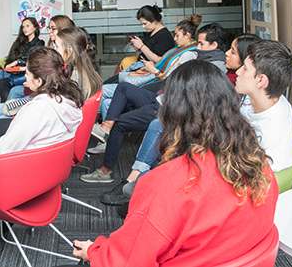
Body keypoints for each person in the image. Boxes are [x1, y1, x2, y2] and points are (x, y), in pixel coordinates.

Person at [72, 60, 279, 266]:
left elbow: (126, 260)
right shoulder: (259, 164)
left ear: (171, 113)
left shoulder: (168, 184)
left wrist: (94, 251)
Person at [100, 32, 261, 206]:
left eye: (233, 51)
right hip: (169, 100)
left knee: (152, 124)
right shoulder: (216, 68)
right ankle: (136, 180)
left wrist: (156, 73)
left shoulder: (222, 73)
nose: (227, 53)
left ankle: (133, 180)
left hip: (186, 112)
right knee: (143, 115)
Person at [0, 26, 98, 146]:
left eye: (57, 46)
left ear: (69, 51)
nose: (54, 49)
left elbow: (48, 104)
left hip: (45, 124)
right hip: (52, 122)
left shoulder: (70, 76)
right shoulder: (83, 74)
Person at [90, 14, 202, 150]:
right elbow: (163, 64)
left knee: (104, 91)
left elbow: (173, 81)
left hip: (156, 90)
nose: (174, 38)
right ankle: (104, 138)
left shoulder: (188, 55)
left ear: (187, 35)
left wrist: (153, 70)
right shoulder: (178, 50)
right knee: (107, 102)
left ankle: (90, 128)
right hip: (153, 84)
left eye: (177, 35)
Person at [0, 47, 84, 157]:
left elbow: (3, 149)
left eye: (27, 73)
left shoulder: (37, 109)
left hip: (24, 162)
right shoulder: (69, 100)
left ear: (39, 81)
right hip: (49, 159)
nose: (25, 76)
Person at [98, 5, 177, 121]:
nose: (143, 27)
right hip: (140, 71)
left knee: (103, 88)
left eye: (145, 24)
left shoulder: (164, 36)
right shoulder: (151, 33)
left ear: (154, 21)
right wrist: (138, 50)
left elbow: (159, 60)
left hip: (147, 76)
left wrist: (142, 46)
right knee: (106, 98)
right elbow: (143, 57)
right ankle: (105, 126)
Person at [235, 39, 292, 173]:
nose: (238, 72)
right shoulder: (274, 99)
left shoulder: (268, 142)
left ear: (261, 80)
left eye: (244, 68)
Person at [0, 15, 74, 101]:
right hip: (32, 78)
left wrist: (32, 80)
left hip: (40, 86)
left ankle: (5, 108)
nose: (49, 31)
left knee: (2, 83)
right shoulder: (21, 43)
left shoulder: (41, 44)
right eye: (49, 28)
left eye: (53, 28)